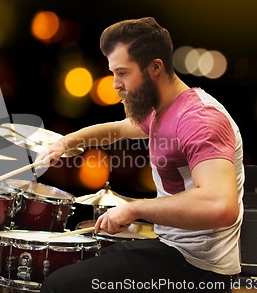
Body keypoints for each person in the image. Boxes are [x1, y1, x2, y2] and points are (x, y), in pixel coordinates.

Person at [37, 17, 244, 292]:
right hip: (173, 250)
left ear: (154, 67)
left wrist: (135, 209)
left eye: (122, 73)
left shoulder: (200, 119)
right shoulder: (164, 108)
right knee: (83, 261)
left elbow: (221, 206)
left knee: (59, 286)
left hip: (199, 270)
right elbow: (121, 129)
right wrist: (67, 142)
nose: (114, 84)